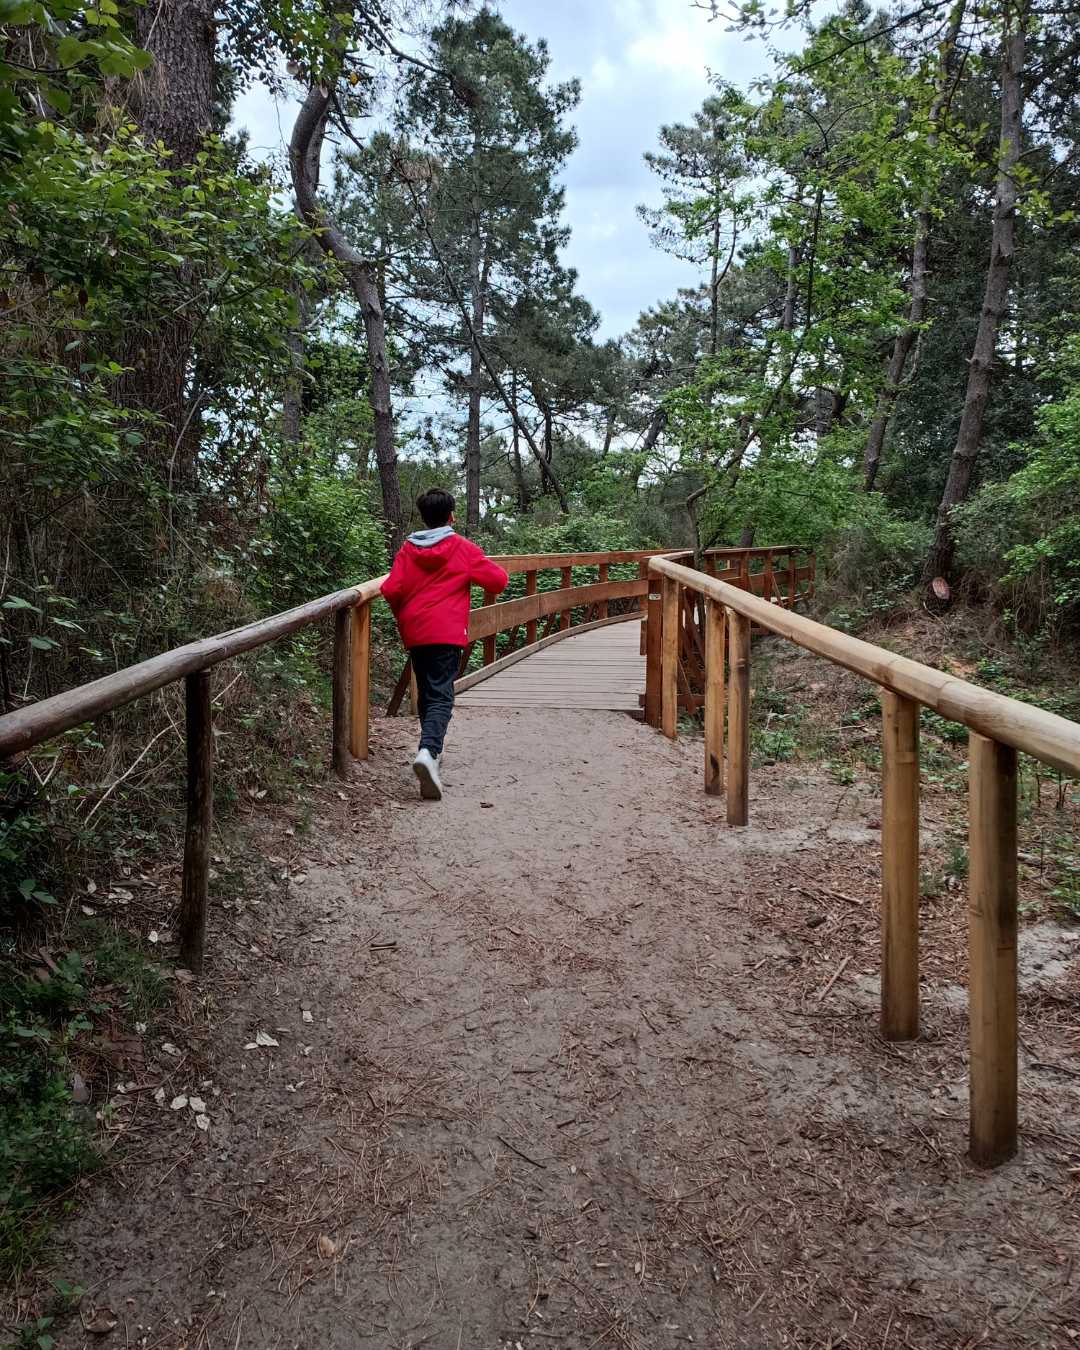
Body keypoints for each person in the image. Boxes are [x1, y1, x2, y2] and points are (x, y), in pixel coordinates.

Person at [381, 488, 509, 800]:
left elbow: (391, 588)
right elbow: (498, 581)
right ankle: (428, 752)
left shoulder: (407, 550)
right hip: (446, 632)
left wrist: (405, 618)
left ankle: (431, 756)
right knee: (441, 696)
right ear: (451, 515)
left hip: (416, 632)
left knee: (428, 693)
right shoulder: (461, 548)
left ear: (424, 517)